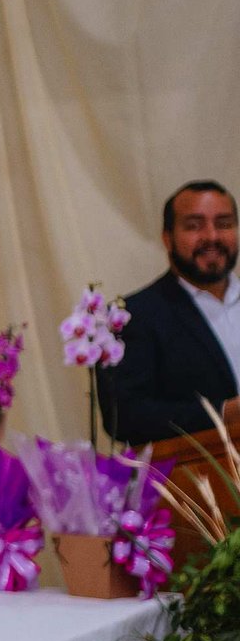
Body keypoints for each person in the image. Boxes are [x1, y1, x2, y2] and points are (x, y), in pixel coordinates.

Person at [101, 180, 240, 445]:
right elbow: (125, 417)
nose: (212, 237)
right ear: (168, 238)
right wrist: (223, 413)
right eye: (194, 226)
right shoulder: (132, 316)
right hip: (201, 468)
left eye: (224, 224)